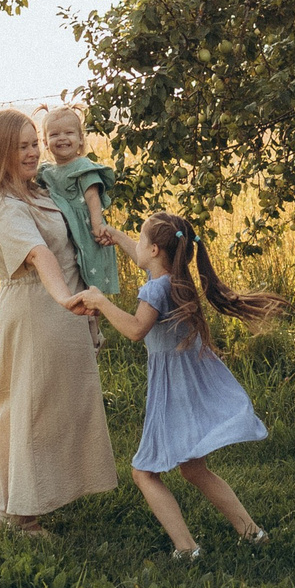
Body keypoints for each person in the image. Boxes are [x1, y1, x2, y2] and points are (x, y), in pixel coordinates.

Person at [0, 109, 115, 536]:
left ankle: (14, 505)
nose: (33, 152)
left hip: (64, 307)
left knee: (52, 407)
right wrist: (65, 298)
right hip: (38, 307)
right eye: (21, 147)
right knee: (31, 409)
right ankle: (22, 518)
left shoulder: (38, 189)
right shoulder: (2, 204)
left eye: (33, 143)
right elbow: (39, 255)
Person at [74, 211, 278, 560]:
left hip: (173, 390)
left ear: (155, 250)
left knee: (143, 472)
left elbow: (136, 330)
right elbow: (143, 258)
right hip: (191, 383)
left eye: (141, 239)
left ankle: (187, 549)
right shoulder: (175, 280)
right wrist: (117, 236)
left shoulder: (156, 289)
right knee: (194, 468)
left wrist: (101, 302)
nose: (137, 245)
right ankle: (253, 533)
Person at [36, 105, 121, 300]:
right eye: (54, 134)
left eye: (69, 133)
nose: (62, 138)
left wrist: (97, 224)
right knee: (69, 272)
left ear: (81, 138)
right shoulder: (46, 172)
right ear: (45, 142)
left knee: (90, 270)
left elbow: (92, 196)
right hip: (63, 230)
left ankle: (95, 304)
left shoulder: (82, 166)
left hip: (85, 228)